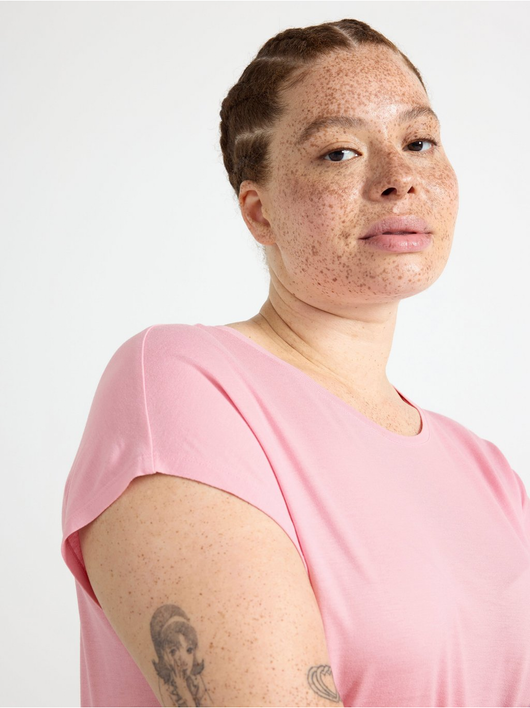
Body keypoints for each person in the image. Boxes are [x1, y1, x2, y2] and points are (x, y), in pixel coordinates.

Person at [60, 18, 530, 708]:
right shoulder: (180, 387)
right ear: (259, 212)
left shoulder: (488, 473)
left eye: (419, 142)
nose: (399, 179)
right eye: (339, 152)